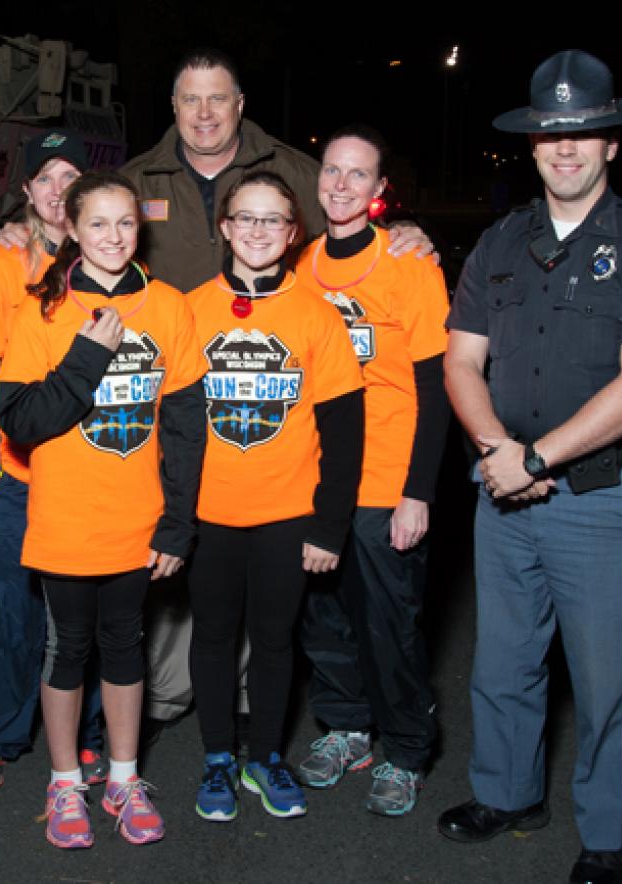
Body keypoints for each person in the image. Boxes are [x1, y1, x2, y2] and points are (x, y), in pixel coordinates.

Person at [0, 48, 434, 728]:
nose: (204, 113)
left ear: (240, 105)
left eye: (218, 98)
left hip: (279, 439)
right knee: (171, 631)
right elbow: (81, 224)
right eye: (190, 99)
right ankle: (190, 729)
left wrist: (403, 232)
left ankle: (316, 731)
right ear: (173, 107)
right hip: (167, 443)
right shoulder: (137, 177)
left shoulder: (295, 170)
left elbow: (348, 220)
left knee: (301, 623)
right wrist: (26, 227)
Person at [440, 51, 622, 884]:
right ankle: (508, 795)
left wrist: (538, 458)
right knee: (502, 664)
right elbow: (461, 362)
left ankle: (606, 838)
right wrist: (498, 452)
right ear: (533, 145)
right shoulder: (499, 242)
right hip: (504, 492)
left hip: (600, 501)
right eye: (552, 135)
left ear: (611, 142)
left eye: (583, 132)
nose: (567, 148)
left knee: (608, 682)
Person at [0, 171, 206, 848]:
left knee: (125, 644)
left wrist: (178, 523)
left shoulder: (168, 306)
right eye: (97, 223)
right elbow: (20, 420)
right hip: (66, 519)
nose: (113, 237)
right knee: (67, 648)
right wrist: (88, 356)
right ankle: (65, 783)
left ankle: (122, 777)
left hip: (138, 519)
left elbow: (186, 426)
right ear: (72, 229)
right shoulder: (43, 311)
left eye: (125, 222)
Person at [186, 170, 364, 822]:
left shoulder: (317, 315)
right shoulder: (188, 309)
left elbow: (344, 432)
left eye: (273, 220)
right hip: (208, 513)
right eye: (246, 217)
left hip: (287, 514)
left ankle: (264, 756)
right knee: (211, 638)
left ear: (293, 234)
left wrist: (329, 526)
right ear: (225, 227)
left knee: (274, 639)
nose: (258, 230)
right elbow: (170, 426)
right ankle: (217, 759)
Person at [294, 125, 450, 817]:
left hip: (386, 478)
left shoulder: (410, 265)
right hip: (314, 477)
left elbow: (436, 389)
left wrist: (419, 491)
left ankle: (407, 749)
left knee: (389, 622)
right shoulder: (300, 265)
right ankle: (347, 727)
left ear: (381, 188)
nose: (342, 184)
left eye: (358, 174)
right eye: (333, 170)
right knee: (323, 615)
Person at [0, 130, 107, 791]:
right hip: (18, 473)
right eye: (45, 177)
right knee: (10, 610)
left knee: (88, 612)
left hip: (92, 471)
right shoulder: (3, 265)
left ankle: (92, 735)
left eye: (71, 177)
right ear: (26, 190)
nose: (57, 191)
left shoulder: (108, 259)